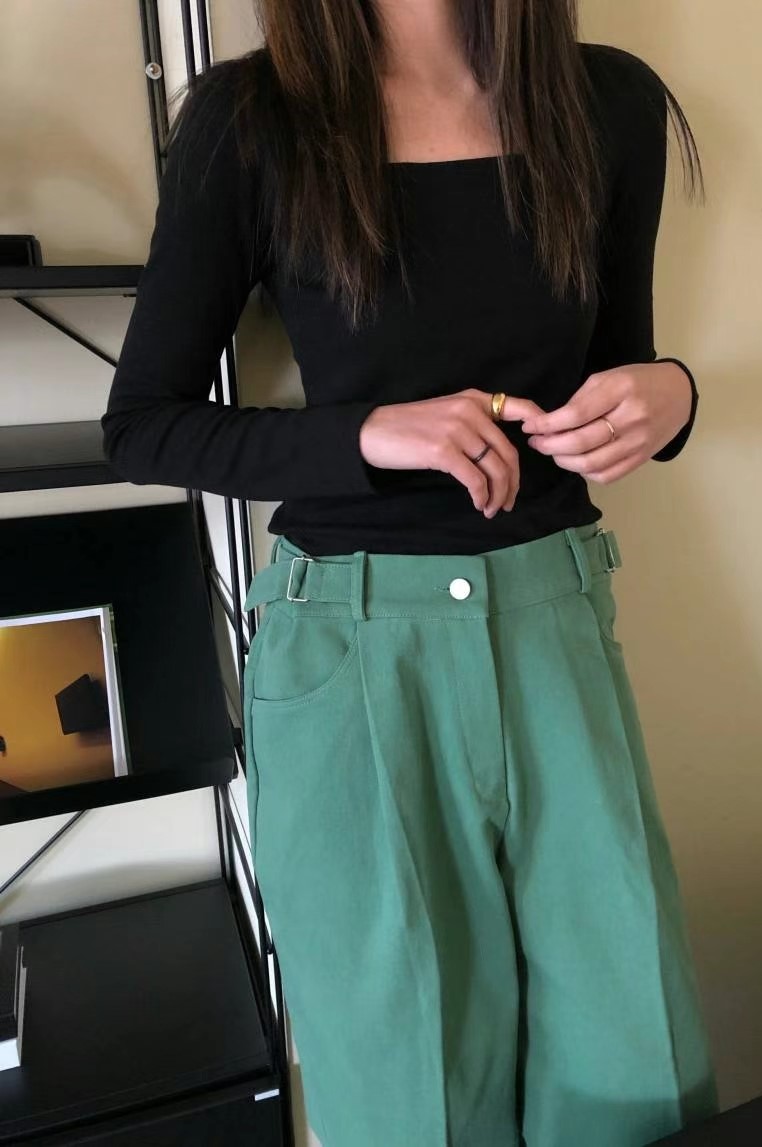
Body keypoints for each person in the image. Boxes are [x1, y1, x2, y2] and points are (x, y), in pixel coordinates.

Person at [102, 2, 720, 1144]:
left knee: (635, 1061)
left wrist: (672, 395)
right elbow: (142, 425)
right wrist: (367, 435)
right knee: (410, 1096)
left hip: (556, 622)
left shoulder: (606, 104)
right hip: (350, 653)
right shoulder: (252, 122)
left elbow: (617, 367)